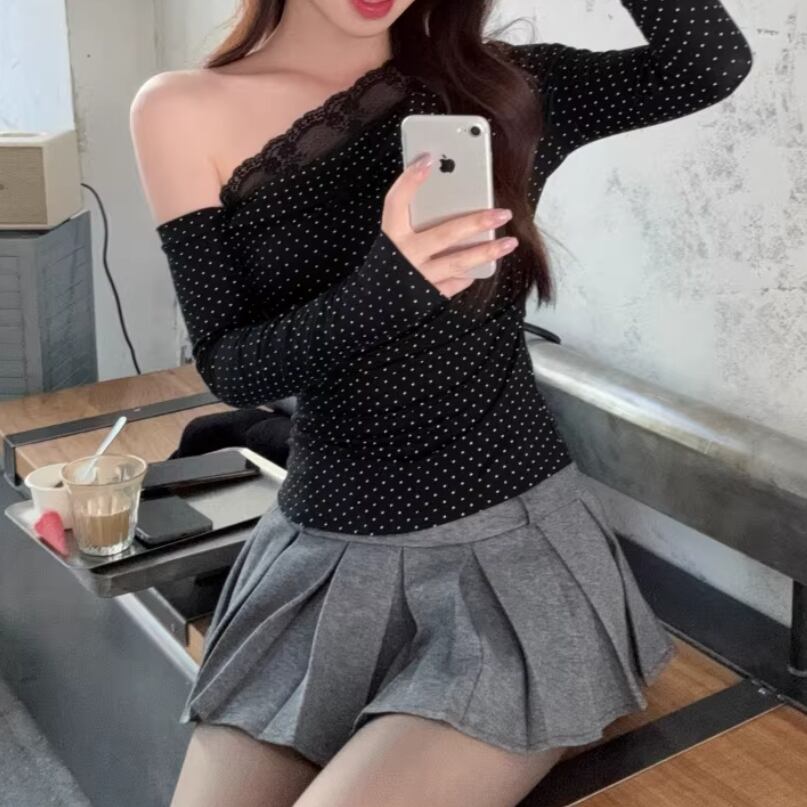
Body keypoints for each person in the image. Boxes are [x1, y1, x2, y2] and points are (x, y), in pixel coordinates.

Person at [130, 1, 753, 805]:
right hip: (317, 567)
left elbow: (705, 64)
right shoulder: (179, 111)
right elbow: (231, 363)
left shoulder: (503, 90)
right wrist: (390, 285)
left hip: (508, 569)